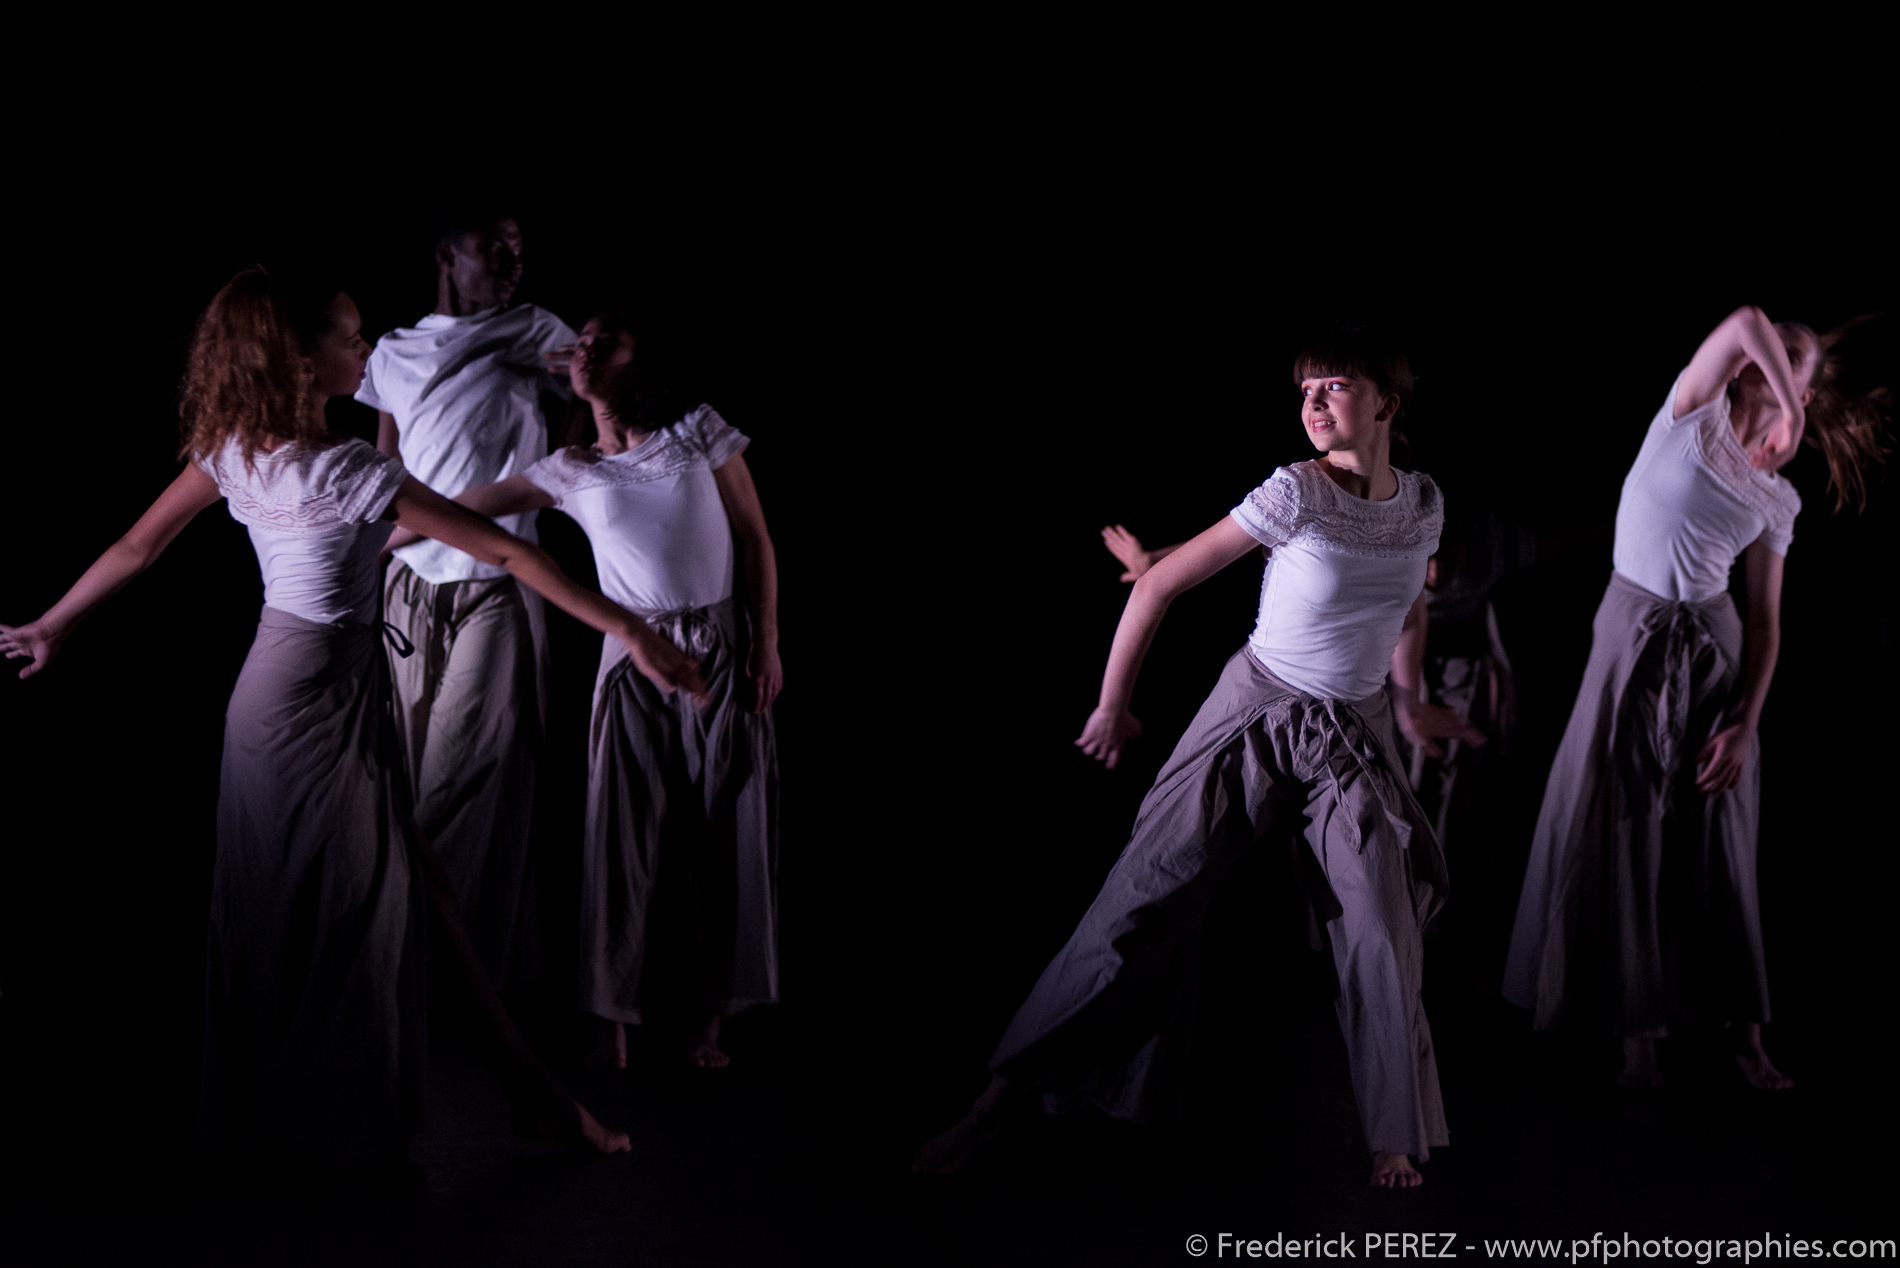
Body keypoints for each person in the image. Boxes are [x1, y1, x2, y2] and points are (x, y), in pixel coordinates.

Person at [0, 266, 705, 1161]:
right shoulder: (346, 470)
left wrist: (54, 625)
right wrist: (631, 630)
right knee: (332, 905)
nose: (365, 349)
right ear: (300, 360)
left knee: (421, 891)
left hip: (312, 694)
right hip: (299, 710)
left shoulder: (237, 449)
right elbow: (510, 555)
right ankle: (320, 1120)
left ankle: (528, 1097)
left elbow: (137, 545)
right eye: (349, 337)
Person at [916, 328, 1482, 1188]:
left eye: (1333, 386)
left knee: (1381, 926)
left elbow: (1406, 608)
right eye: (1305, 391)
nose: (1313, 403)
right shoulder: (1295, 491)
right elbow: (1158, 588)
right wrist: (1112, 707)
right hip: (1257, 712)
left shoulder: (1425, 504)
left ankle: (1392, 1139)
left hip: (1352, 731)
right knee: (1142, 906)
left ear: (1387, 404)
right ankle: (994, 1104)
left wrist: (1406, 699)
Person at [1503, 306, 1890, 1090]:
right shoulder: (1690, 411)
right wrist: (1788, 404)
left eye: (1793, 356)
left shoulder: (1778, 500)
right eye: (1773, 349)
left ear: (1804, 393)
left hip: (1714, 643)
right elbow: (1745, 319)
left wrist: (1746, 722)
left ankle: (1746, 1037)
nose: (1770, 351)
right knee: (1624, 821)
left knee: (1722, 829)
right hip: (1633, 629)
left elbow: (1769, 623)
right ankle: (1637, 1034)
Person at [400, 306, 782, 1071]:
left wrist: (765, 639)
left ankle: (711, 1016)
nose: (587, 349)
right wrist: (377, 538)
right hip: (630, 655)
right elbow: (460, 509)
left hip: (718, 645)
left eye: (607, 341)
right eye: (581, 341)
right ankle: (611, 1018)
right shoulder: (570, 469)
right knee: (618, 836)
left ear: (641, 359)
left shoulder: (696, 431)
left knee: (726, 832)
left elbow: (754, 536)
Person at [357, 213, 579, 989]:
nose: (513, 261)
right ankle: (414, 968)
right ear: (448, 255)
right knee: (408, 772)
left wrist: (561, 463)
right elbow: (385, 465)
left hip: (498, 581)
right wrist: (370, 554)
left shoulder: (532, 329)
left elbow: (592, 397)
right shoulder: (392, 350)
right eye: (494, 248)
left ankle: (434, 963)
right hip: (408, 584)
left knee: (472, 773)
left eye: (520, 249)